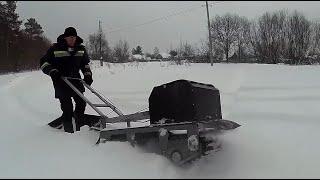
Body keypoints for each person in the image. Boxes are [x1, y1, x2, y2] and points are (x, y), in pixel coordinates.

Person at [40, 27, 93, 133]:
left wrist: (88, 75)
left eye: (74, 37)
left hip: (76, 79)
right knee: (67, 107)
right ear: (65, 38)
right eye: (70, 37)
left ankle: (79, 123)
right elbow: (44, 63)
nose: (72, 39)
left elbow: (85, 65)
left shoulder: (81, 49)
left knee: (81, 103)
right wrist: (52, 72)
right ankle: (68, 129)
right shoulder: (55, 48)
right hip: (61, 80)